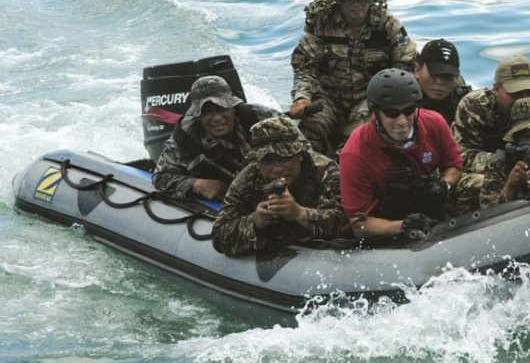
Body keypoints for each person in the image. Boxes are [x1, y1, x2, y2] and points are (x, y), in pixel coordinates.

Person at [289, 0, 417, 156]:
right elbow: (306, 66)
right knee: (309, 132)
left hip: (369, 97)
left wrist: (386, 101)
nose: (356, 4)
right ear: (338, 0)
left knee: (357, 139)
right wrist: (302, 98)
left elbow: (404, 67)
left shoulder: (387, 25)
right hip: (328, 97)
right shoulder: (322, 23)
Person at [339, 68, 463, 239]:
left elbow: (454, 165)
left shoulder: (435, 122)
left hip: (428, 198)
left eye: (409, 110)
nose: (402, 121)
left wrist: (444, 185)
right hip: (385, 215)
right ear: (375, 111)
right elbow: (358, 224)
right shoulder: (354, 154)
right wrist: (402, 226)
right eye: (392, 113)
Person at [211, 117, 346, 255]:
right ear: (258, 163)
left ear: (300, 154)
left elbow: (346, 223)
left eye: (285, 158)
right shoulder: (247, 179)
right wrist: (255, 222)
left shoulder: (326, 171)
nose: (278, 169)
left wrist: (300, 214)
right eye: (268, 161)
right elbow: (219, 237)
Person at [152, 75, 280, 201]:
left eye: (222, 109)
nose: (217, 118)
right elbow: (160, 178)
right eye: (207, 112)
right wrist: (196, 185)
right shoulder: (185, 137)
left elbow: (297, 143)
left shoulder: (260, 117)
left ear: (233, 107)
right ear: (198, 115)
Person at [452, 54, 530, 212]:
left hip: (529, 171)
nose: (523, 100)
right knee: (474, 183)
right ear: (496, 89)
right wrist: (507, 161)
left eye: (529, 92)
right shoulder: (474, 106)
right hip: (488, 172)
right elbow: (462, 157)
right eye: (516, 94)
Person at [414, 39, 471, 125]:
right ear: (417, 70)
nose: (440, 82)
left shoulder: (464, 102)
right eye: (434, 74)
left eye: (447, 76)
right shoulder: (401, 97)